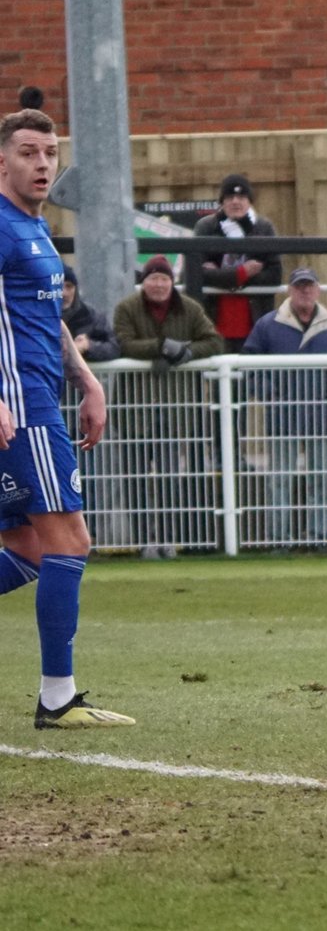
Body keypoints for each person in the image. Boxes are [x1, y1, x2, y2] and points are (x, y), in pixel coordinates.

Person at [0, 108, 130, 729]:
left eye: (50, 152)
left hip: (40, 400)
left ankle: (58, 697)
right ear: (3, 160)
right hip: (21, 410)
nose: (43, 163)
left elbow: (44, 318)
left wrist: (86, 377)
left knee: (27, 548)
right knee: (70, 540)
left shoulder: (35, 228)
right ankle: (57, 698)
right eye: (29, 152)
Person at [113, 256, 225, 558]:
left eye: (163, 279)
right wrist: (162, 347)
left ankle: (166, 539)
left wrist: (185, 352)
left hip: (175, 411)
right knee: (135, 478)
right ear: (144, 282)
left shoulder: (189, 308)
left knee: (169, 479)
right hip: (134, 411)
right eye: (153, 279)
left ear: (171, 281)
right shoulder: (126, 308)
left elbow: (214, 341)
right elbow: (123, 343)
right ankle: (142, 542)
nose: (159, 284)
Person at [241, 267, 327, 547]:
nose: (305, 291)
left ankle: (321, 538)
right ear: (290, 290)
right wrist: (271, 397)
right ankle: (279, 540)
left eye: (309, 285)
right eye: (299, 286)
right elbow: (250, 366)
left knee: (322, 482)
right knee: (279, 480)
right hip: (282, 417)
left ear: (317, 290)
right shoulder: (268, 325)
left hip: (321, 416)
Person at [187, 173, 281, 353]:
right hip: (213, 322)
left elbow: (274, 275)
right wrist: (241, 273)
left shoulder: (264, 227)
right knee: (217, 378)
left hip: (255, 321)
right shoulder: (205, 227)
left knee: (253, 379)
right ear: (222, 202)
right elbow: (193, 274)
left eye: (242, 197)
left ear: (250, 201)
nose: (235, 202)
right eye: (229, 197)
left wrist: (219, 276)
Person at [60, 265, 118, 363]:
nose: (64, 293)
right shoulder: (36, 315)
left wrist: (88, 345)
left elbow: (114, 348)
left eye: (69, 286)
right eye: (58, 287)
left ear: (76, 288)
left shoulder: (91, 315)